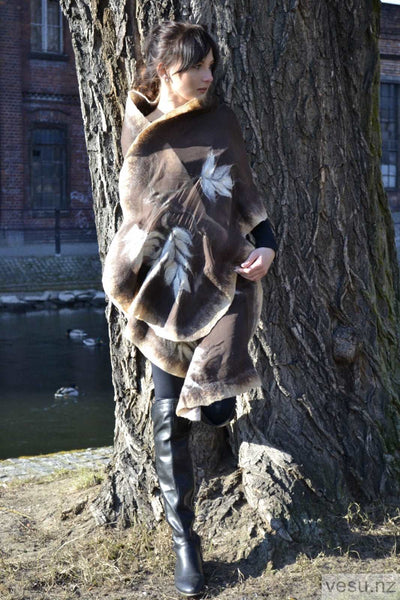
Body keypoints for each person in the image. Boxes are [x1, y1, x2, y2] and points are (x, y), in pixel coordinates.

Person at [103, 21, 277, 597]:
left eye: (211, 66)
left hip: (220, 273)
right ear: (164, 72)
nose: (208, 77)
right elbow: (140, 209)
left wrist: (268, 244)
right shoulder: (136, 125)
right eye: (196, 68)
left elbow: (243, 194)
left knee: (214, 400)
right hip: (157, 280)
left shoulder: (221, 121)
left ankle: (219, 396)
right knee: (166, 414)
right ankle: (186, 544)